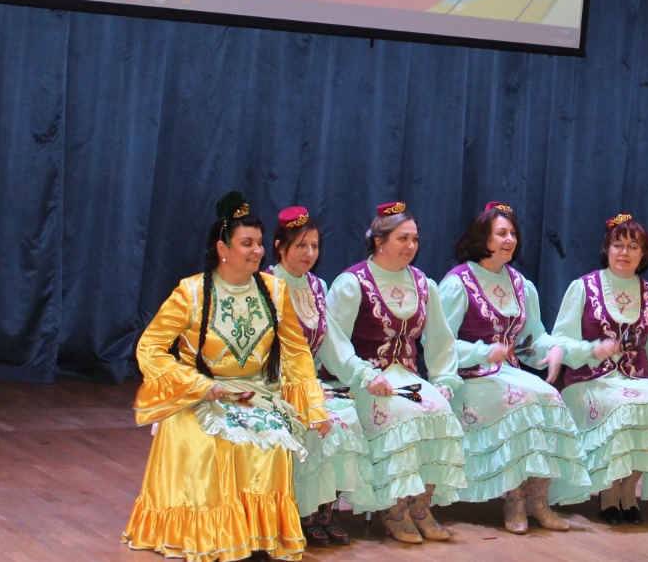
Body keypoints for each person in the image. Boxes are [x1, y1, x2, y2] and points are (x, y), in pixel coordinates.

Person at [122, 191, 332, 562]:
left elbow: (297, 354)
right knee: (213, 443)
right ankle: (216, 536)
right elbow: (150, 348)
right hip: (200, 395)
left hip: (254, 392)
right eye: (246, 243)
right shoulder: (190, 293)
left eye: (259, 243)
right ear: (223, 248)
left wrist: (313, 406)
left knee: (269, 441)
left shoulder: (274, 290)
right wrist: (197, 385)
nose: (257, 251)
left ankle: (255, 536)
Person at [318, 202, 467, 544]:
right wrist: (364, 375)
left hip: (407, 376)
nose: (411, 246)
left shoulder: (423, 283)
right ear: (379, 241)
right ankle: (393, 508)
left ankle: (420, 506)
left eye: (415, 239)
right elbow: (333, 342)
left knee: (441, 411)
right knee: (403, 414)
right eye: (403, 238)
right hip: (360, 380)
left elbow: (440, 338)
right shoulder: (352, 283)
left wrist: (444, 379)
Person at [437, 201, 588, 533]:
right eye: (501, 233)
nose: (509, 240)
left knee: (550, 397)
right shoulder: (458, 282)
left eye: (513, 234)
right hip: (469, 378)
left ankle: (538, 501)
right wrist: (483, 352)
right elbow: (440, 343)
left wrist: (553, 351)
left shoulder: (521, 285)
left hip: (508, 374)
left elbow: (534, 338)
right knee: (522, 401)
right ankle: (514, 501)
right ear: (483, 238)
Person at [550, 213, 648, 525]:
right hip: (589, 378)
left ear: (643, 253)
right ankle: (609, 491)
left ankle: (628, 488)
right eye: (618, 245)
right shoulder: (583, 287)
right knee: (621, 408)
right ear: (607, 249)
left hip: (636, 378)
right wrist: (591, 350)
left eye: (633, 246)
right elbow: (560, 341)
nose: (624, 252)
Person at [269, 205, 367, 547]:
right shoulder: (266, 285)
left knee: (345, 416)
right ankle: (301, 511)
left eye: (314, 246)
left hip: (310, 383)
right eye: (300, 245)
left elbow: (332, 343)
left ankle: (324, 510)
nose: (309, 253)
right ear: (280, 246)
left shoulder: (317, 285)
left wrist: (362, 372)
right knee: (309, 420)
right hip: (276, 384)